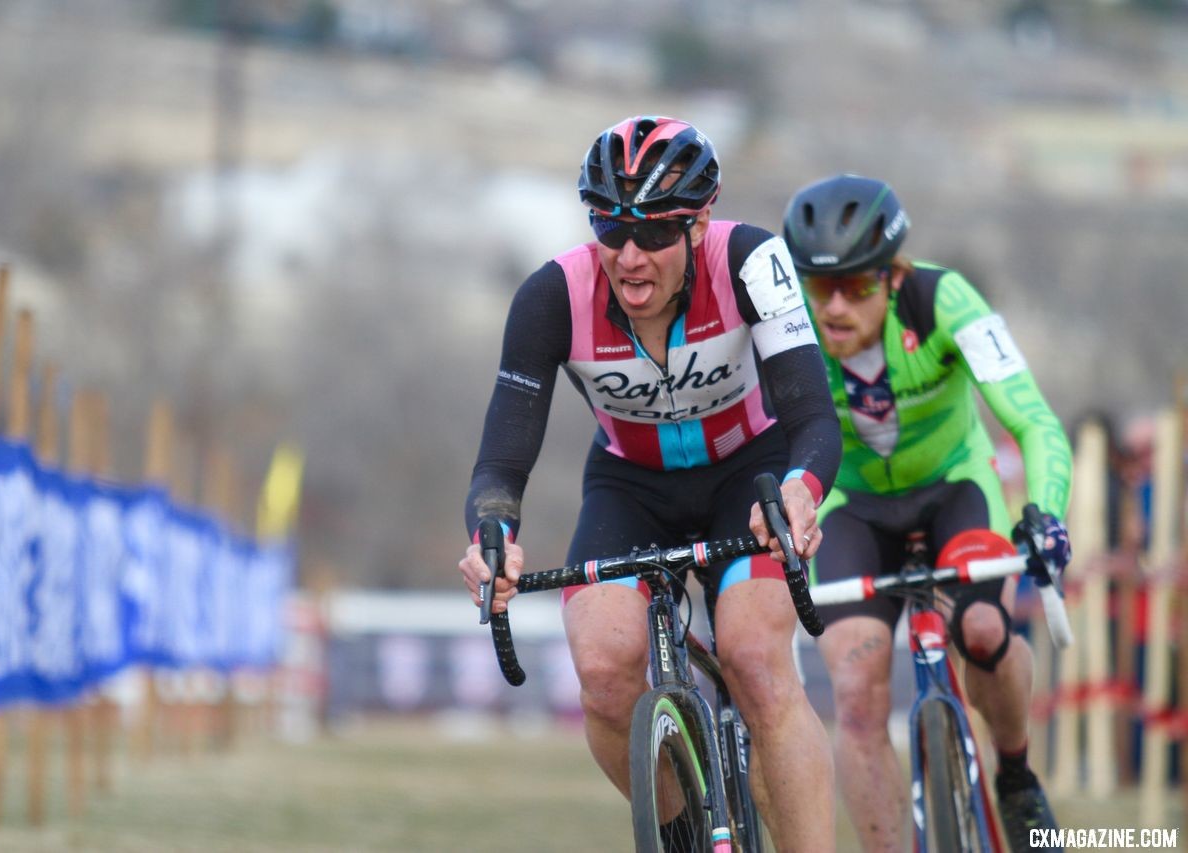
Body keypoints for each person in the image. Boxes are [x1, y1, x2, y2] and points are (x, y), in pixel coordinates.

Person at [458, 116, 842, 849]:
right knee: (603, 671)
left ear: (700, 223)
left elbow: (815, 418)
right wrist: (492, 533)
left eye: (657, 234)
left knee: (756, 661)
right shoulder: (552, 296)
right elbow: (500, 467)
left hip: (749, 471)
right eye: (610, 227)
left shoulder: (755, 260)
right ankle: (685, 830)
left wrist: (801, 487)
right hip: (630, 486)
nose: (630, 256)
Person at [781, 173, 1074, 852]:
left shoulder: (945, 300)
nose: (834, 308)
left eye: (856, 286)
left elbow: (1033, 421)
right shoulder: (790, 324)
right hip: (853, 506)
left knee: (979, 626)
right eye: (820, 289)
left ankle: (1015, 770)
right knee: (855, 692)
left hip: (955, 489)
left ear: (894, 275)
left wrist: (1044, 512)